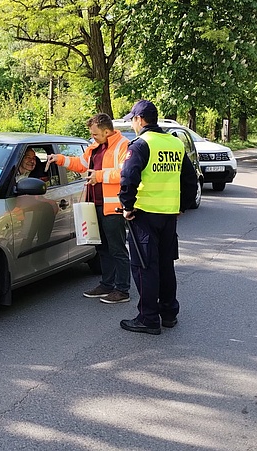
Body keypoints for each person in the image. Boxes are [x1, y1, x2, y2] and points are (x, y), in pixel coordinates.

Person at [117, 100, 198, 335]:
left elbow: (128, 176)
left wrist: (127, 206)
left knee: (144, 267)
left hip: (144, 215)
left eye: (132, 119)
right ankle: (169, 313)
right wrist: (182, 205)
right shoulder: (175, 143)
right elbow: (190, 179)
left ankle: (148, 318)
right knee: (165, 265)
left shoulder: (141, 145)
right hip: (168, 216)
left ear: (140, 120)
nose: (132, 124)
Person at [46, 113, 131, 304]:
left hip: (113, 207)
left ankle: (123, 289)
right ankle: (107, 285)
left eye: (95, 134)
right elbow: (81, 165)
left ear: (107, 131)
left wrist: (99, 176)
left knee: (117, 249)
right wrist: (59, 158)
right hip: (94, 204)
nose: (92, 138)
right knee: (102, 248)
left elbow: (125, 173)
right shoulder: (94, 147)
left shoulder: (123, 145)